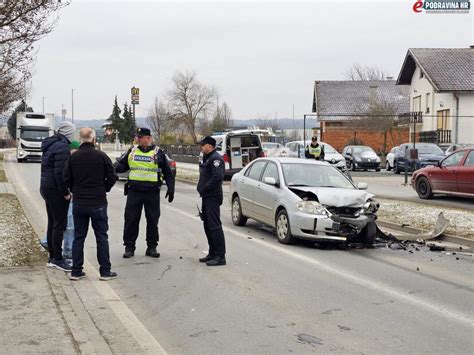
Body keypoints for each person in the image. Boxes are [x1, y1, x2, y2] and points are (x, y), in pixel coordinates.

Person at [63, 128, 118, 281]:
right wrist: (104, 188)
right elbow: (112, 176)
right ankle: (105, 272)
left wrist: (74, 190)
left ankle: (76, 271)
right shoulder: (101, 156)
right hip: (98, 202)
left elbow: (66, 178)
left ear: (80, 139)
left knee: (78, 237)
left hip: (79, 202)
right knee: (101, 236)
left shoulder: (73, 158)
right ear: (93, 139)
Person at [115, 127, 175, 259]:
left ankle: (152, 247)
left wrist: (171, 188)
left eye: (140, 137)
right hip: (134, 191)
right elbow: (121, 165)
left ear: (148, 138)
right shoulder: (132, 151)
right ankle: (129, 247)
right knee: (131, 220)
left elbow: (167, 172)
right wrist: (113, 169)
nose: (137, 139)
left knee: (153, 220)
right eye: (137, 137)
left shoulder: (158, 152)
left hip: (152, 192)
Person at [40, 121, 75, 272]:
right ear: (68, 133)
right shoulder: (62, 147)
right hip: (55, 190)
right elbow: (60, 174)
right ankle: (58, 259)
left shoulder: (51, 144)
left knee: (52, 223)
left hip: (46, 187)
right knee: (59, 225)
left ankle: (52, 257)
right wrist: (66, 193)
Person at [197, 136, 226, 266]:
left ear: (210, 146)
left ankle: (220, 256)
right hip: (206, 196)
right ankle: (212, 252)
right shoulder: (208, 157)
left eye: (203, 145)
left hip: (212, 196)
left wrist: (205, 188)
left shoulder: (216, 159)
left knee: (214, 226)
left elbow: (217, 177)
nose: (201, 147)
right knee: (207, 225)